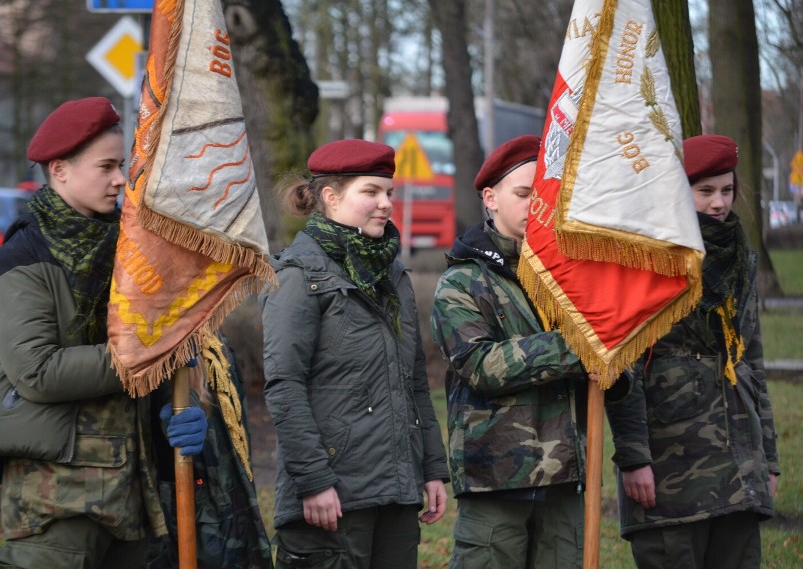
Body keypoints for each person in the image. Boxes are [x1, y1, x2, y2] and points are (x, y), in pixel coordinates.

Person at [0, 97, 172, 567]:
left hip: (132, 490)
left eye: (121, 165)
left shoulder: (130, 252)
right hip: (57, 498)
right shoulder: (22, 258)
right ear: (59, 170)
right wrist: (148, 350)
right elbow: (37, 372)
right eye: (106, 167)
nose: (120, 179)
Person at [260, 139, 449, 569]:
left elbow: (415, 381)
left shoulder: (393, 275)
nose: (385, 204)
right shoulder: (297, 276)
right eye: (371, 192)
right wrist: (313, 482)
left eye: (390, 193)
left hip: (398, 492)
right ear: (331, 197)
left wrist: (432, 469)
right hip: (332, 497)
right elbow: (284, 385)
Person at [604, 134, 780, 569]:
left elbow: (751, 364)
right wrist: (634, 458)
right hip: (670, 464)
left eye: (726, 190)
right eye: (705, 191)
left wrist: (767, 459)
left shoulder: (738, 256)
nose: (719, 203)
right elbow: (624, 369)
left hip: (740, 463)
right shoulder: (643, 259)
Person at [430, 135, 594, 569]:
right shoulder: (462, 282)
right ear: (491, 198)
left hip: (565, 477)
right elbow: (481, 365)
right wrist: (579, 345)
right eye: (523, 193)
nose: (535, 204)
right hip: (496, 478)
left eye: (545, 194)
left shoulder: (570, 280)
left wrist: (613, 364)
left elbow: (607, 373)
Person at [146, 335, 274, 569]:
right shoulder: (157, 331)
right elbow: (168, 386)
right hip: (189, 527)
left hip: (233, 518)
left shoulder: (216, 340)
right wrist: (178, 409)